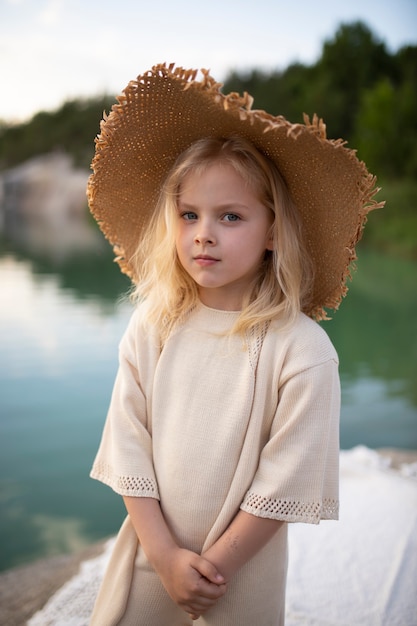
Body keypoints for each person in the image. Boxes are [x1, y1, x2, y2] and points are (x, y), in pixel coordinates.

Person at [87, 63, 383, 625]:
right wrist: (167, 557)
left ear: (273, 232)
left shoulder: (301, 348)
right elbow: (130, 444)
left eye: (230, 216)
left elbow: (285, 476)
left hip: (240, 574)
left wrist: (209, 571)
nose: (204, 233)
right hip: (153, 555)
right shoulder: (153, 327)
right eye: (189, 214)